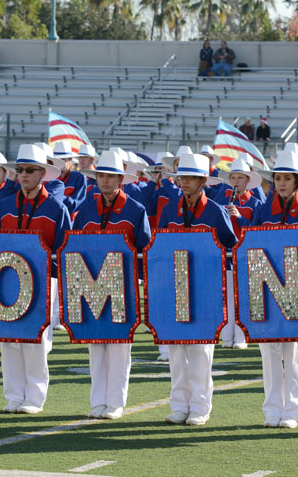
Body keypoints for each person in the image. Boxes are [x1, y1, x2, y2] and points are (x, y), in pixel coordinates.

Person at [0, 144, 70, 414]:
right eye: (20, 170)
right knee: (9, 339)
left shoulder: (56, 208)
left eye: (30, 170)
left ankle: (34, 397)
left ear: (43, 174)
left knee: (35, 340)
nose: (23, 175)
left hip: (43, 281)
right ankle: (13, 395)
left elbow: (64, 249)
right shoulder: (6, 206)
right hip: (8, 280)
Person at [158, 152, 237, 426]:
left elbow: (231, 248)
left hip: (205, 291)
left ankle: (201, 406)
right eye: (182, 177)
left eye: (192, 177)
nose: (185, 182)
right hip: (175, 289)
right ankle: (179, 405)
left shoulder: (216, 212)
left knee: (201, 350)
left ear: (203, 181)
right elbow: (159, 246)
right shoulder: (169, 210)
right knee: (177, 350)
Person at [252, 151, 298, 429]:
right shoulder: (262, 210)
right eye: (278, 178)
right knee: (269, 352)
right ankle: (272, 409)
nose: (281, 183)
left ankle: (293, 409)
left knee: (296, 353)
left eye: (287, 178)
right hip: (267, 292)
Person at [74, 150, 151, 419]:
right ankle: (97, 401)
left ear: (121, 179)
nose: (105, 181)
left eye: (110, 176)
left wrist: (138, 283)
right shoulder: (85, 208)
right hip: (90, 285)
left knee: (119, 348)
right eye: (101, 176)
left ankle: (115, 402)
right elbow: (76, 245)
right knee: (95, 346)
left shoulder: (135, 209)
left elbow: (144, 249)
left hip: (123, 289)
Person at [215, 155, 263, 350]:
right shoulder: (221, 201)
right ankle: (227, 337)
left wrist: (241, 218)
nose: (235, 182)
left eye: (240, 178)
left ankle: (242, 337)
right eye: (233, 178)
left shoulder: (256, 204)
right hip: (226, 253)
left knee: (243, 297)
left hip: (244, 255)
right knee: (226, 297)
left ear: (248, 181)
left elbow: (256, 231)